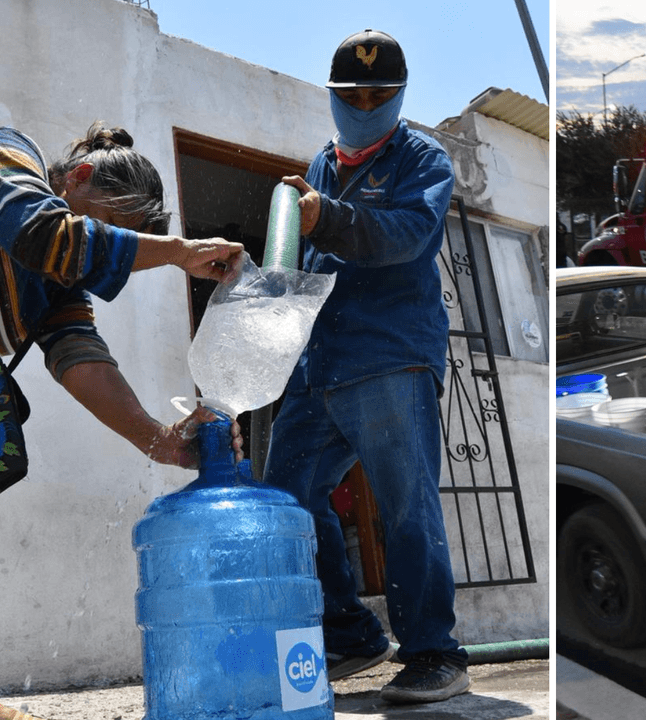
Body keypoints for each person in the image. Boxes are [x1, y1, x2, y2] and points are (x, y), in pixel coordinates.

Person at [0, 122, 244, 720]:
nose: (109, 242)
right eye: (114, 225)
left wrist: (160, 442)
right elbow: (42, 236)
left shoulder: (61, 281)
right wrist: (175, 252)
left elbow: (80, 359)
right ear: (79, 176)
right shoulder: (3, 153)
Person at [261, 29, 469, 705]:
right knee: (288, 499)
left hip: (389, 356)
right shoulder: (321, 168)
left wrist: (329, 219)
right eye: (353, 94)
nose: (366, 103)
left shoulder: (422, 159)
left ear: (401, 96)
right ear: (333, 96)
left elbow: (408, 237)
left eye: (380, 94)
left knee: (405, 506)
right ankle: (349, 630)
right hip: (318, 361)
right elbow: (306, 260)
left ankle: (435, 653)